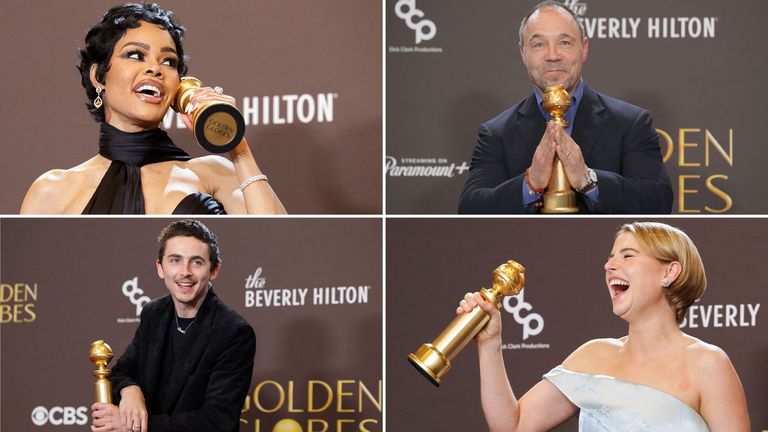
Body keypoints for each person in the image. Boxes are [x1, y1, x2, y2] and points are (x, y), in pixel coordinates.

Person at [458, 222, 750, 431]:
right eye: (610, 257)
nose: (609, 266)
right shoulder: (593, 355)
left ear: (670, 271)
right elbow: (514, 426)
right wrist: (489, 345)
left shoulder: (707, 364)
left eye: (627, 255)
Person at [21, 3, 285, 214]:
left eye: (168, 61)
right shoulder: (51, 192)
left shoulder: (214, 174)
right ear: (98, 76)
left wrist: (238, 149)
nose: (155, 69)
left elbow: (279, 249)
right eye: (135, 55)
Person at [458, 1, 673, 214]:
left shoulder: (631, 123)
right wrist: (531, 183)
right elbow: (470, 210)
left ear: (584, 49)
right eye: (539, 44)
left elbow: (658, 202)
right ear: (523, 53)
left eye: (565, 43)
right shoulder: (496, 133)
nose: (553, 55)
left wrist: (588, 180)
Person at [91, 219, 256, 432]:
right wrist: (130, 390)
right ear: (160, 267)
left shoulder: (234, 332)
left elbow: (216, 422)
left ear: (214, 270)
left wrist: (136, 426)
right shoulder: (154, 314)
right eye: (175, 260)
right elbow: (121, 371)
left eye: (196, 262)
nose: (184, 272)